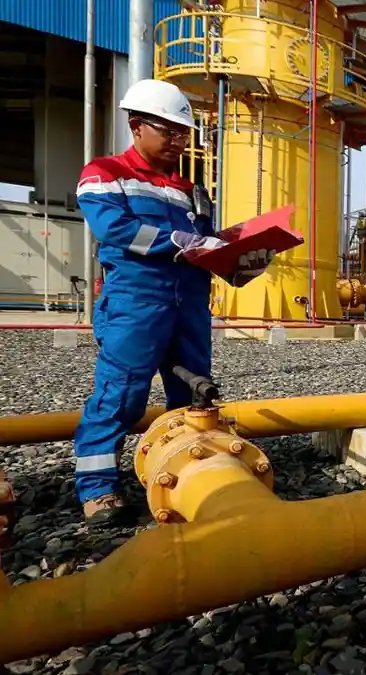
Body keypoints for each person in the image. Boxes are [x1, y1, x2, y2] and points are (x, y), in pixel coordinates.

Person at [73, 79, 274, 526]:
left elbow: (205, 248)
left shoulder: (190, 189)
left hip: (190, 306)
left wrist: (243, 262)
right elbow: (115, 230)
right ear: (136, 126)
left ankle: (190, 470)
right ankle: (97, 489)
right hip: (136, 303)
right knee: (120, 395)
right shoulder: (105, 173)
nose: (179, 141)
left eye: (183, 133)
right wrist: (179, 241)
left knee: (194, 394)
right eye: (169, 131)